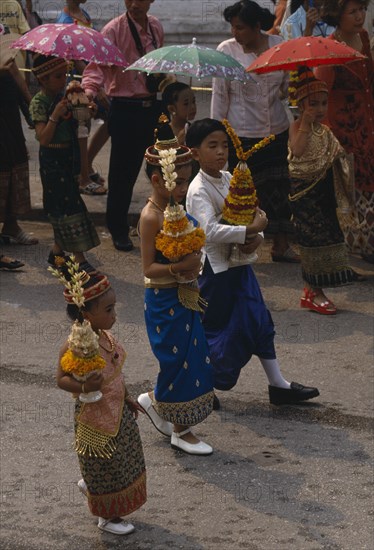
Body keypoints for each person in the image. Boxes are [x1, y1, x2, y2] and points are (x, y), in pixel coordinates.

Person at [186, 118, 320, 406]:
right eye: (213, 146)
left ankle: (278, 385)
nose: (221, 152)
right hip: (215, 270)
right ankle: (202, 386)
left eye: (224, 145)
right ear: (195, 153)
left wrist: (258, 231)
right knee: (215, 329)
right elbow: (207, 231)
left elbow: (252, 210)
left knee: (259, 320)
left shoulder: (228, 177)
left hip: (239, 264)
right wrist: (248, 231)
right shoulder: (198, 189)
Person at [137, 121, 214, 455]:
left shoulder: (176, 207)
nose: (184, 187)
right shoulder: (151, 217)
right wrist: (180, 267)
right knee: (177, 361)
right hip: (164, 297)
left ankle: (155, 401)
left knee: (194, 357)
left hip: (187, 294)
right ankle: (181, 431)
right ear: (158, 180)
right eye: (179, 181)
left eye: (185, 180)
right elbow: (148, 268)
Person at [55, 265, 146, 535]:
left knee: (123, 460)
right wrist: (83, 385)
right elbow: (61, 380)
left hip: (118, 411)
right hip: (95, 418)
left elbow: (116, 374)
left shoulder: (105, 336)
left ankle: (91, 485)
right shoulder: (73, 344)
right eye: (108, 310)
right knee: (105, 465)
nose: (114, 316)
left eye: (114, 308)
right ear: (86, 313)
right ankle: (106, 517)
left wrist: (128, 398)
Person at [211, 0, 299, 263]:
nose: (235, 33)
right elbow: (219, 98)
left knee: (280, 191)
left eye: (240, 28)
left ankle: (281, 246)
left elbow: (285, 88)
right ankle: (240, 248)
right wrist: (217, 138)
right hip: (241, 136)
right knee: (241, 197)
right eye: (233, 28)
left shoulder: (278, 46)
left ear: (257, 27)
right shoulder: (225, 52)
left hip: (275, 132)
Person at [82, 0, 164, 252]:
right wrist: (88, 91)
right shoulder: (113, 30)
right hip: (125, 108)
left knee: (162, 170)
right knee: (122, 175)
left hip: (152, 107)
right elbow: (95, 67)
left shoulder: (155, 26)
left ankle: (160, 225)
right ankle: (117, 229)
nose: (135, 4)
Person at [288, 68, 355, 314]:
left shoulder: (325, 131)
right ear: (301, 105)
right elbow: (296, 151)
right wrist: (305, 123)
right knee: (311, 239)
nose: (319, 109)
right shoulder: (296, 127)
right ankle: (315, 292)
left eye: (323, 103)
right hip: (304, 193)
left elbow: (337, 157)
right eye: (313, 104)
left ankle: (312, 290)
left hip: (323, 191)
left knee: (327, 235)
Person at [315, 0, 374, 263]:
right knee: (351, 191)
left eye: (362, 9)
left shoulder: (363, 38)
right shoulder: (329, 50)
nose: (360, 16)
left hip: (369, 125)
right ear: (337, 16)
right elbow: (320, 96)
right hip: (344, 132)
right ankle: (357, 248)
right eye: (353, 12)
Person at [29, 54, 100, 269]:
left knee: (64, 205)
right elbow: (43, 138)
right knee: (69, 206)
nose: (64, 80)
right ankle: (79, 258)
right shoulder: (39, 102)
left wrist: (86, 112)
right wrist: (55, 115)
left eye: (64, 75)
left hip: (69, 157)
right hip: (52, 160)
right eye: (58, 76)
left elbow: (80, 127)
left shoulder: (66, 97)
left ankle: (57, 253)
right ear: (43, 80)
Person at [56, 0, 108, 196]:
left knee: (104, 119)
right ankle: (83, 177)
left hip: (91, 75)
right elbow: (75, 59)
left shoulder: (83, 14)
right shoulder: (65, 20)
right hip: (77, 83)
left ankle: (86, 164)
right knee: (81, 128)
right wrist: (96, 83)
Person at [0, 53, 38, 246]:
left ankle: (11, 224)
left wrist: (32, 108)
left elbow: (17, 79)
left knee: (14, 162)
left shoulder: (4, 42)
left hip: (9, 119)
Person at [160, 79, 197, 145]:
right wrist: (178, 143)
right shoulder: (162, 132)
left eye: (193, 102)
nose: (193, 107)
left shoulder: (195, 129)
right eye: (186, 103)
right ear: (172, 109)